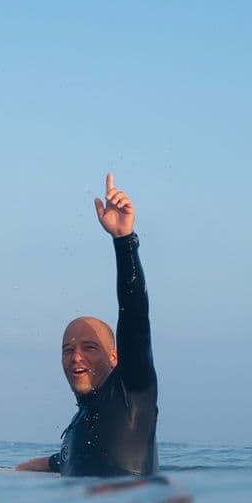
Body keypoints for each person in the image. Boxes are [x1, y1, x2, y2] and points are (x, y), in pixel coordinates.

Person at [16, 173, 158, 477]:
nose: (75, 356)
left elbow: (135, 315)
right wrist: (36, 466)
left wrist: (124, 241)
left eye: (89, 347)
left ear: (115, 358)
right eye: (67, 349)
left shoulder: (132, 391)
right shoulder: (82, 421)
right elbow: (75, 455)